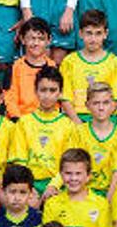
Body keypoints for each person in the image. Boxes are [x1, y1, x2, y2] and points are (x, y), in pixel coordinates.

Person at [41, 148, 112, 227]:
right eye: (68, 173)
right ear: (61, 175)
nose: (73, 178)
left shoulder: (101, 203)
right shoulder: (52, 203)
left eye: (78, 173)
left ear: (88, 176)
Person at [55, 83, 117, 199]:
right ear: (87, 105)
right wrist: (54, 186)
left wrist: (108, 199)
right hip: (82, 191)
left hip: (109, 191)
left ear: (113, 105)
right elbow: (71, 164)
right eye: (96, 103)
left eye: (105, 103)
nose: (101, 108)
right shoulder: (78, 131)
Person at [12, 66, 76, 194]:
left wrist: (54, 186)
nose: (47, 95)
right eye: (43, 90)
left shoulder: (68, 125)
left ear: (60, 93)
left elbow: (69, 163)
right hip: (29, 183)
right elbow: (19, 160)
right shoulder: (24, 123)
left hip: (58, 183)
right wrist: (29, 186)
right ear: (35, 91)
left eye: (53, 90)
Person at [59, 11, 117, 123]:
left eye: (98, 33)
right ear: (80, 33)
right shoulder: (69, 62)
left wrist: (100, 123)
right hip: (77, 117)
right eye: (89, 33)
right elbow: (65, 98)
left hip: (106, 119)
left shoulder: (115, 62)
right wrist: (78, 123)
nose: (93, 39)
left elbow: (116, 99)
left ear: (105, 34)